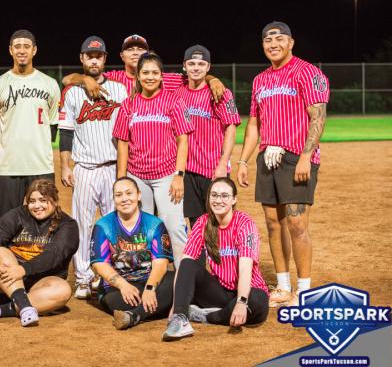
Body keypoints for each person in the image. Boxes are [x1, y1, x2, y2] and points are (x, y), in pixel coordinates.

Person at [237, 22, 329, 307]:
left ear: (291, 42)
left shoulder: (308, 72)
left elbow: (318, 116)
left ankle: (304, 289)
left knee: (297, 222)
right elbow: (254, 123)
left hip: (296, 157)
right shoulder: (260, 80)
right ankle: (283, 285)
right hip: (268, 157)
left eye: (279, 38)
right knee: (273, 223)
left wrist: (305, 156)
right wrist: (243, 160)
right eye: (267, 39)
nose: (273, 43)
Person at [59, 35, 128, 299]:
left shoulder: (120, 90)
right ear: (82, 59)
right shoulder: (73, 91)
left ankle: (110, 274)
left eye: (98, 56)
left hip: (113, 167)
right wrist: (66, 166)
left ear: (105, 59)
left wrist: (123, 172)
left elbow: (125, 134)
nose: (94, 59)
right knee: (82, 224)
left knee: (114, 224)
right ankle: (84, 278)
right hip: (85, 167)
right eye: (90, 55)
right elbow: (65, 132)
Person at [162, 178, 269, 341]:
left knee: (257, 302)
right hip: (220, 292)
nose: (218, 200)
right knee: (187, 264)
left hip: (249, 290)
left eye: (225, 196)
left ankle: (209, 317)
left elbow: (245, 268)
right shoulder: (203, 222)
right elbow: (185, 264)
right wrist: (177, 307)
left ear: (234, 199)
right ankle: (181, 318)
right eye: (214, 195)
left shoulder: (245, 223)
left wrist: (241, 302)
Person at [112, 52, 193, 267]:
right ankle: (145, 274)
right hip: (137, 176)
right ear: (137, 76)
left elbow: (182, 140)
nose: (150, 77)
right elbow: (123, 143)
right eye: (145, 72)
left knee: (174, 225)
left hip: (166, 175)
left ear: (161, 76)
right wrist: (122, 180)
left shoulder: (173, 100)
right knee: (141, 229)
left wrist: (179, 175)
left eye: (155, 73)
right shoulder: (128, 104)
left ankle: (183, 277)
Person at [0, 179, 78, 326]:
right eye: (32, 201)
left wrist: (23, 269)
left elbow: (54, 254)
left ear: (55, 200)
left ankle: (4, 309)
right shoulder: (18, 215)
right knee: (0, 251)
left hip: (39, 285)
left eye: (43, 200)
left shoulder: (67, 225)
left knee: (63, 289)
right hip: (8, 281)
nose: (37, 206)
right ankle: (25, 306)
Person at [0, 29, 61, 220]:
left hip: (41, 166)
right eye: (17, 46)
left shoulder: (50, 84)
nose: (22, 50)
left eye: (26, 47)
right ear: (10, 50)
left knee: (45, 223)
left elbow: (53, 125)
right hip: (7, 167)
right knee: (5, 223)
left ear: (34, 50)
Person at [90, 177, 174, 330]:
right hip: (117, 288)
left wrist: (150, 289)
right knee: (115, 300)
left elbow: (161, 264)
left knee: (176, 281)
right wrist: (123, 286)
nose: (124, 199)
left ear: (139, 195)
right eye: (119, 195)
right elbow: (99, 264)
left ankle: (134, 315)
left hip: (150, 282)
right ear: (114, 198)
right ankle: (162, 306)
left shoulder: (155, 224)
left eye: (129, 193)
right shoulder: (103, 225)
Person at [173, 45, 241, 230]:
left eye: (201, 64)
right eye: (192, 63)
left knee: (218, 218)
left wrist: (222, 163)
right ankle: (200, 259)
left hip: (212, 168)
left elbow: (231, 129)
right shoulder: (177, 92)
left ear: (208, 67)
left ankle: (220, 259)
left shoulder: (221, 94)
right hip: (188, 170)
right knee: (195, 221)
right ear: (184, 65)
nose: (196, 67)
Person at [62, 34, 225, 100]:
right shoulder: (113, 78)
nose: (135, 53)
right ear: (121, 56)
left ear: (148, 54)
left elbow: (194, 76)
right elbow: (66, 79)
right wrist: (84, 79)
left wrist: (213, 80)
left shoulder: (163, 78)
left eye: (140, 49)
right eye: (130, 49)